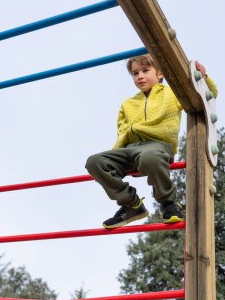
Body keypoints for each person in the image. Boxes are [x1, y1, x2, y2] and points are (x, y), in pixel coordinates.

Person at [85, 54, 218, 229]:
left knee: (149, 157)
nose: (139, 76)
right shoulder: (128, 104)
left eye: (145, 70)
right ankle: (131, 205)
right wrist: (109, 165)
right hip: (130, 148)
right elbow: (122, 132)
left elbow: (207, 95)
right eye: (135, 73)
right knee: (95, 162)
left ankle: (168, 204)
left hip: (158, 145)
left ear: (160, 73)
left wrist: (203, 78)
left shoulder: (172, 93)